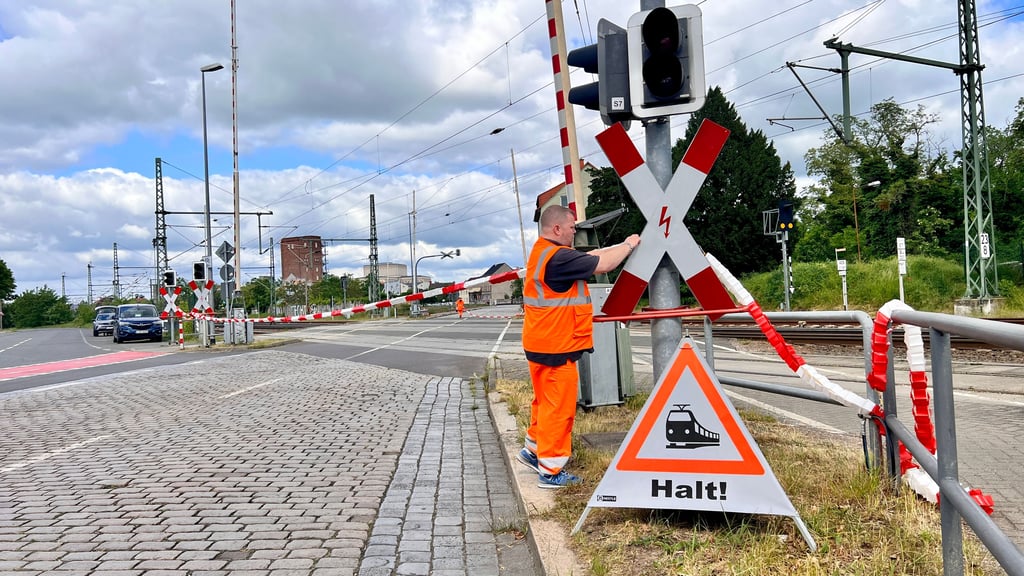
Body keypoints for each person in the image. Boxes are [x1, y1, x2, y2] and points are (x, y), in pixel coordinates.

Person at [517, 205, 640, 488]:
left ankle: (533, 450)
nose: (576, 231)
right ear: (557, 229)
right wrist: (631, 244)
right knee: (558, 409)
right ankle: (551, 470)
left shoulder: (544, 252)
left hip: (541, 342)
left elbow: (593, 256)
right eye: (572, 227)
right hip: (556, 347)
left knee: (543, 403)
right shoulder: (558, 258)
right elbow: (604, 264)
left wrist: (620, 245)